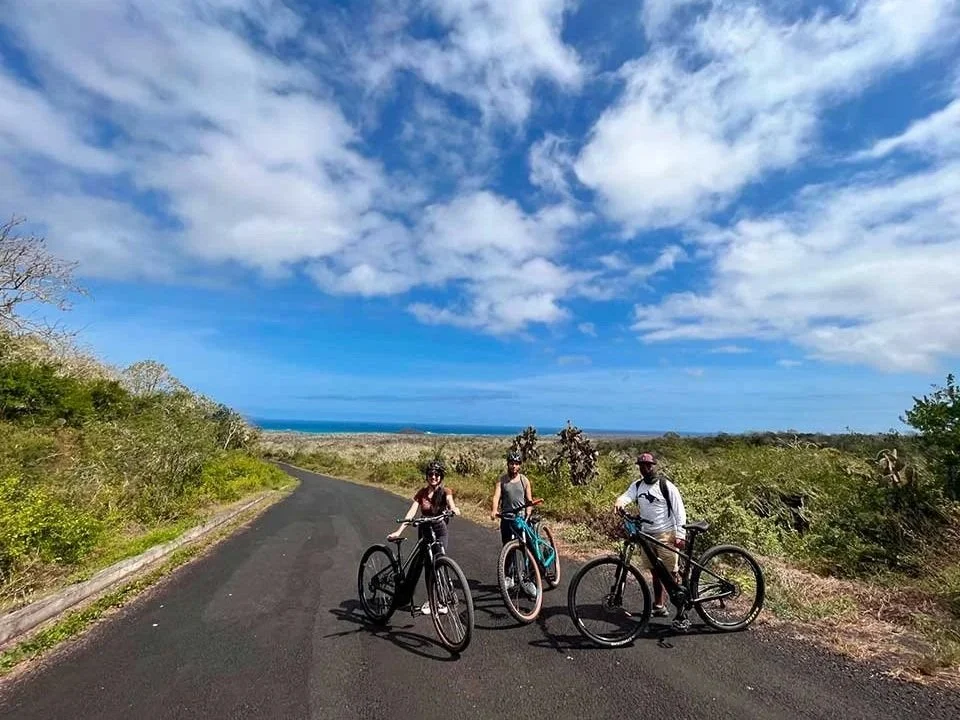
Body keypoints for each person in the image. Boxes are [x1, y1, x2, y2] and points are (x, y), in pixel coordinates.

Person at [613, 452, 687, 617]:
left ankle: (680, 612)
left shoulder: (665, 485)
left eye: (648, 465)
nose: (645, 469)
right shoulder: (638, 486)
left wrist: (681, 534)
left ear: (654, 466)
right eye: (642, 466)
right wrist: (620, 501)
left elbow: (679, 510)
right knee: (655, 571)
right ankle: (659, 605)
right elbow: (627, 496)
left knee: (670, 573)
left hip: (666, 534)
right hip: (646, 535)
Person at [388, 459, 461, 615]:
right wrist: (399, 531)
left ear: (441, 476)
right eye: (430, 474)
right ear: (427, 476)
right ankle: (432, 600)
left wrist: (454, 509)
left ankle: (442, 600)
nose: (433, 477)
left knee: (439, 561)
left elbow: (451, 503)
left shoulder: (445, 491)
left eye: (436, 474)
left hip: (440, 530)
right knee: (428, 566)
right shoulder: (421, 493)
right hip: (425, 530)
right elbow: (411, 512)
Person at [490, 450, 537, 597]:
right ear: (508, 464)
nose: (514, 466)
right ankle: (509, 577)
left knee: (527, 548)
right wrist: (494, 510)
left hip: (522, 518)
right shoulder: (502, 480)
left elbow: (529, 499)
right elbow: (496, 497)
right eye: (512, 463)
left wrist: (528, 512)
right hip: (507, 519)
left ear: (520, 466)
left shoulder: (524, 480)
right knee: (508, 548)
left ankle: (529, 579)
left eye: (516, 464)